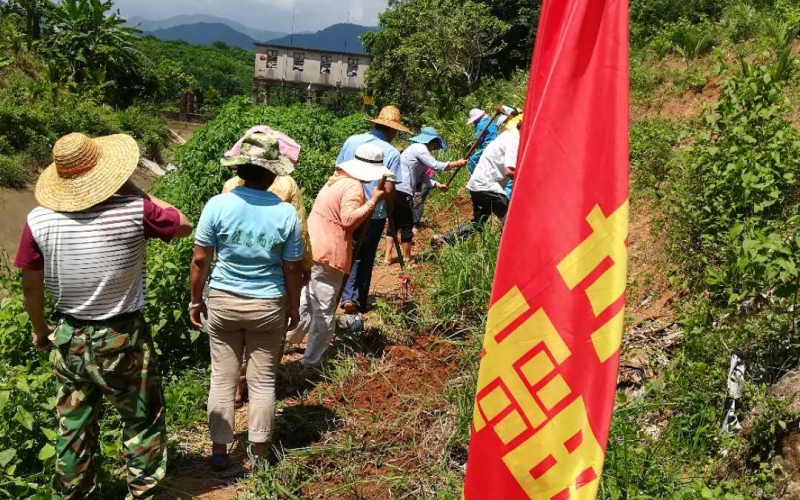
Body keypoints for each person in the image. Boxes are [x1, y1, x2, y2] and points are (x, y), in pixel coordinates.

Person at [14, 132, 193, 500]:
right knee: (142, 419)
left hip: (69, 337)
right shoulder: (134, 209)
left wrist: (40, 329)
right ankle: (144, 493)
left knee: (73, 426)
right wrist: (134, 189)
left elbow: (30, 286)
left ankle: (78, 494)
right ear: (107, 173)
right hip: (123, 337)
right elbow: (185, 223)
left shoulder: (39, 221)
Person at [189, 132, 304, 470]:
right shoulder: (285, 214)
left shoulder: (218, 204)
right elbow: (293, 267)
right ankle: (259, 452)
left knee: (222, 377)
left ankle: (220, 451)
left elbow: (199, 259)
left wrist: (196, 300)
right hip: (268, 305)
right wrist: (294, 307)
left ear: (239, 168)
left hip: (223, 301)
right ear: (272, 173)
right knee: (263, 379)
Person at [221, 127, 312, 409]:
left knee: (234, 344)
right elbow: (300, 235)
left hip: (231, 282)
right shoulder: (287, 187)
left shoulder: (229, 187)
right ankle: (257, 384)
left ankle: (235, 389)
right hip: (273, 280)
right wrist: (305, 269)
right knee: (268, 342)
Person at [286, 144, 390, 368]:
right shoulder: (353, 187)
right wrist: (374, 200)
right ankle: (311, 363)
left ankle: (286, 341)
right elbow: (349, 220)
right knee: (323, 311)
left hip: (314, 248)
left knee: (307, 300)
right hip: (329, 254)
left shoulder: (336, 180)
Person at [336, 105, 409, 314]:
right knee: (365, 255)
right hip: (373, 213)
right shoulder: (392, 153)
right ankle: (355, 300)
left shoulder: (352, 140)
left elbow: (337, 170)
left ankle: (340, 294)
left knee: (345, 251)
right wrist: (391, 204)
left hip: (346, 206)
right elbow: (388, 189)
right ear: (393, 130)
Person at [433, 119, 523, 247]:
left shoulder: (507, 135)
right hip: (488, 187)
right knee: (511, 221)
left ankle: (443, 239)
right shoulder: (515, 139)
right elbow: (509, 171)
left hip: (477, 185)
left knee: (478, 224)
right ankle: (509, 252)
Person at [387, 127, 465, 265]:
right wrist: (456, 163)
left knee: (394, 223)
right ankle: (406, 258)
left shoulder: (414, 149)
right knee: (406, 224)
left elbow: (423, 176)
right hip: (403, 190)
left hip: (397, 188)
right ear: (431, 142)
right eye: (435, 145)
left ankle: (387, 257)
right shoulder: (420, 148)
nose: (434, 148)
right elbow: (436, 165)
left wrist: (437, 184)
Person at [467, 108, 499, 175]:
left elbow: (478, 139)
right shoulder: (490, 119)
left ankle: (472, 176)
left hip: (488, 145)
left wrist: (478, 145)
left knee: (473, 159)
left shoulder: (480, 124)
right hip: (497, 142)